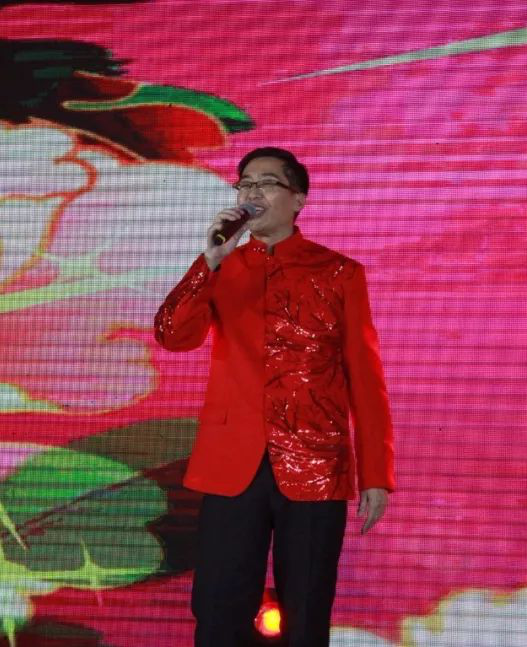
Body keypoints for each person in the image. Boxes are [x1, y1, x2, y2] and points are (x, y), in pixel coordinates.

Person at [154, 147, 395, 647]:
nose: (251, 193)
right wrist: (209, 262)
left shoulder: (339, 273)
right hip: (232, 462)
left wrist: (376, 474)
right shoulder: (222, 267)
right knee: (218, 609)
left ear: (298, 199)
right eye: (244, 184)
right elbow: (172, 336)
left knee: (305, 614)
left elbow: (365, 378)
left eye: (265, 183)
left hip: (315, 461)